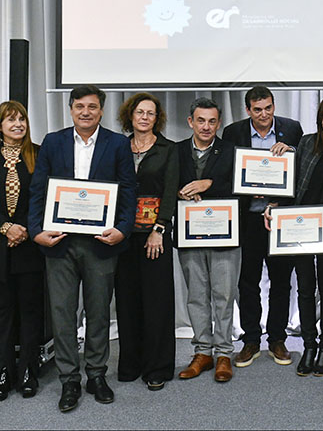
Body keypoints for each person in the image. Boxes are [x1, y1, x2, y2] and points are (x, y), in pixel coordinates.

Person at [28, 85, 136, 413]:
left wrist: (122, 229)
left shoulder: (117, 144)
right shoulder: (53, 142)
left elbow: (128, 190)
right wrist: (36, 232)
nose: (85, 112)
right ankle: (69, 379)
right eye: (79, 106)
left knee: (99, 312)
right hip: (59, 242)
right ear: (71, 110)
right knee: (62, 313)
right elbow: (37, 191)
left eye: (92, 107)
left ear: (101, 111)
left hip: (100, 243)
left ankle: (97, 374)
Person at [221, 86, 303, 368]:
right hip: (248, 220)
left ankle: (277, 339)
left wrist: (290, 151)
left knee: (281, 281)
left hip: (280, 219)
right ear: (248, 111)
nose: (264, 114)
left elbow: (301, 170)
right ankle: (251, 340)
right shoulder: (233, 133)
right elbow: (225, 171)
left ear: (274, 106)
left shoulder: (292, 129)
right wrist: (245, 189)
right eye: (258, 109)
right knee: (248, 282)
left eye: (268, 108)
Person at [0, 101, 45, 401]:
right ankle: (3, 371)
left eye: (22, 119)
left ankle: (28, 370)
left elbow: (44, 196)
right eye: (10, 120)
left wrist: (25, 229)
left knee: (30, 312)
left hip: (30, 247)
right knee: (1, 313)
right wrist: (6, 228)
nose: (18, 124)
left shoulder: (39, 156)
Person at [276, 96, 323, 377]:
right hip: (302, 227)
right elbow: (291, 180)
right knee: (305, 288)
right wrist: (276, 207)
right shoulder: (308, 143)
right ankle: (309, 345)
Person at [113, 92, 178, 391]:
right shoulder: (116, 147)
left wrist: (159, 228)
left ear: (157, 118)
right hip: (122, 236)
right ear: (131, 115)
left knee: (157, 301)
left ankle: (157, 367)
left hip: (155, 236)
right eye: (140, 112)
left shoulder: (168, 149)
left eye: (150, 113)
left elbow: (170, 192)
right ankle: (131, 363)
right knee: (127, 300)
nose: (144, 117)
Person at [175, 97, 239, 383]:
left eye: (212, 121)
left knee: (224, 295)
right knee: (197, 295)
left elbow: (243, 187)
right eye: (200, 120)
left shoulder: (232, 151)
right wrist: (179, 192)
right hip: (190, 235)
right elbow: (165, 184)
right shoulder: (175, 151)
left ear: (219, 123)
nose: (206, 126)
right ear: (191, 122)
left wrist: (209, 184)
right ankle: (203, 352)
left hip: (225, 234)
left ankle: (224, 352)